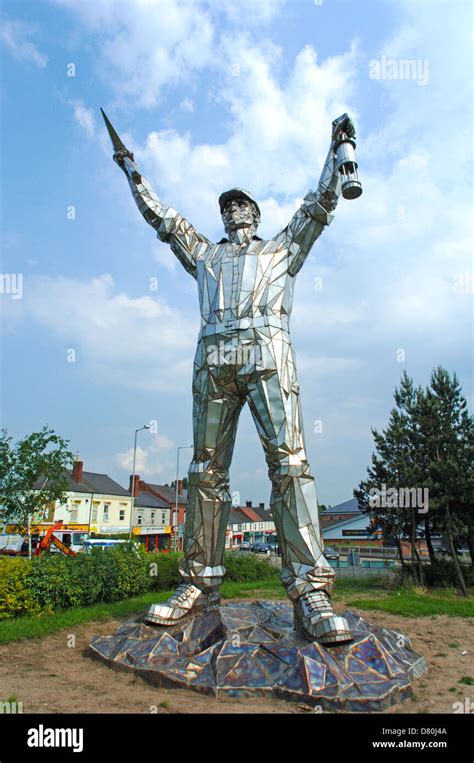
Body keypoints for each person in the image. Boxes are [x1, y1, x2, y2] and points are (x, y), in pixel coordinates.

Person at [110, 113, 356, 645]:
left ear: (256, 213)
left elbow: (319, 207)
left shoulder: (280, 250)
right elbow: (165, 222)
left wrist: (334, 152)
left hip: (268, 353)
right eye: (225, 206)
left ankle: (310, 589)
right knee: (204, 472)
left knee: (289, 464)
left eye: (240, 204)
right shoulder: (206, 255)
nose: (231, 211)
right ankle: (199, 581)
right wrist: (132, 174)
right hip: (215, 356)